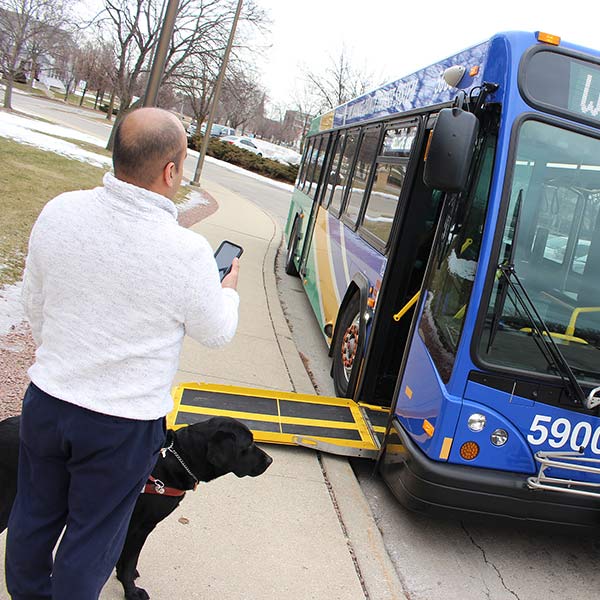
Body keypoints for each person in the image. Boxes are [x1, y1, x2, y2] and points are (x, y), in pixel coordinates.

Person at [5, 107, 241, 600]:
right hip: (123, 425)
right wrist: (229, 292)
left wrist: (66, 360)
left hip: (48, 400)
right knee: (91, 539)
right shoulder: (187, 254)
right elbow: (216, 332)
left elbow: (35, 302)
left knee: (33, 514)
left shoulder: (60, 211)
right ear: (170, 171)